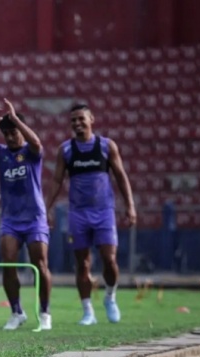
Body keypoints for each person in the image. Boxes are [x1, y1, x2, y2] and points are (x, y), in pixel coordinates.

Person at [45, 104, 136, 325]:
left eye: (81, 119)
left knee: (109, 259)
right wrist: (47, 209)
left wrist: (130, 205)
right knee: (82, 264)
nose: (77, 123)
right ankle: (88, 311)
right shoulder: (66, 150)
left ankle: (110, 297)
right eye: (73, 120)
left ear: (91, 119)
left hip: (104, 211)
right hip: (78, 214)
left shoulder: (106, 146)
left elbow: (121, 176)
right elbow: (57, 180)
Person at [0, 99, 52, 330]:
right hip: (10, 220)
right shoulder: (0, 152)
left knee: (41, 265)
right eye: (6, 133)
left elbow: (36, 141)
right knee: (8, 264)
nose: (10, 137)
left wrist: (15, 119)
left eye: (13, 132)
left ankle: (45, 313)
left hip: (35, 218)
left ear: (21, 131)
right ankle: (17, 312)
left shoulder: (31, 152)